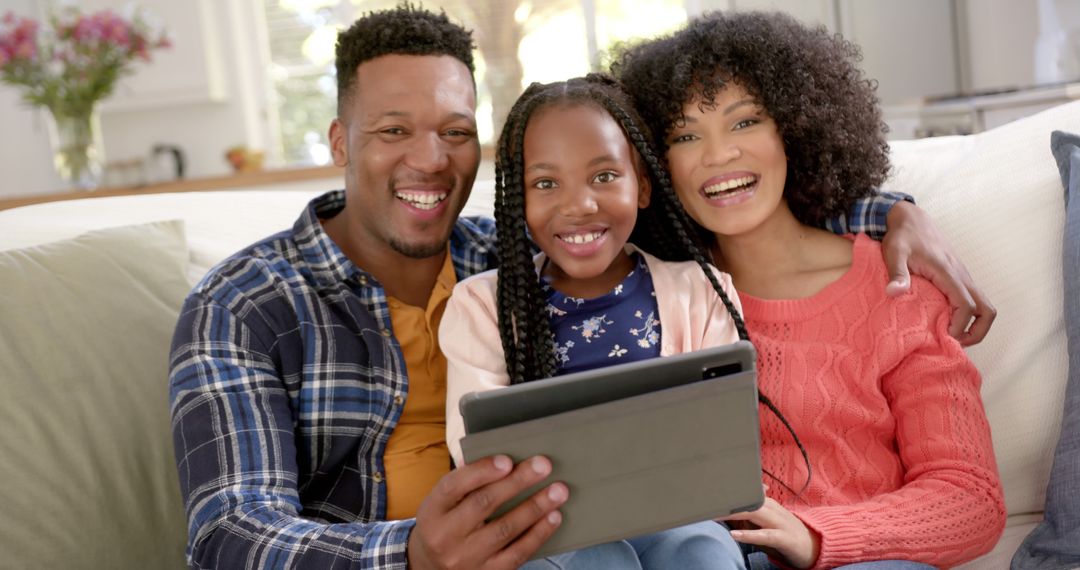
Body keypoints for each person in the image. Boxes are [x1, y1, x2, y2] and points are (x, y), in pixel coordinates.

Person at [168, 4, 994, 568]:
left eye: (456, 132)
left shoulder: (520, 251)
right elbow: (230, 534)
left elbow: (718, 195)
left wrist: (892, 213)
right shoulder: (248, 306)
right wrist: (413, 553)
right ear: (338, 138)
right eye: (391, 131)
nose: (429, 159)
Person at [613, 10, 1007, 569]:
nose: (718, 154)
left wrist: (813, 534)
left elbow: (970, 498)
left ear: (794, 129)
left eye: (744, 122)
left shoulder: (896, 288)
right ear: (656, 164)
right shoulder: (648, 299)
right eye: (684, 135)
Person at [441, 73, 751, 569]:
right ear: (519, 200)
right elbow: (475, 452)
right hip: (547, 528)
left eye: (604, 176)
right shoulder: (482, 305)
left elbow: (719, 439)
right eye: (545, 183)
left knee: (703, 553)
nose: (579, 205)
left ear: (642, 186)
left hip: (678, 514)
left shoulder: (699, 290)